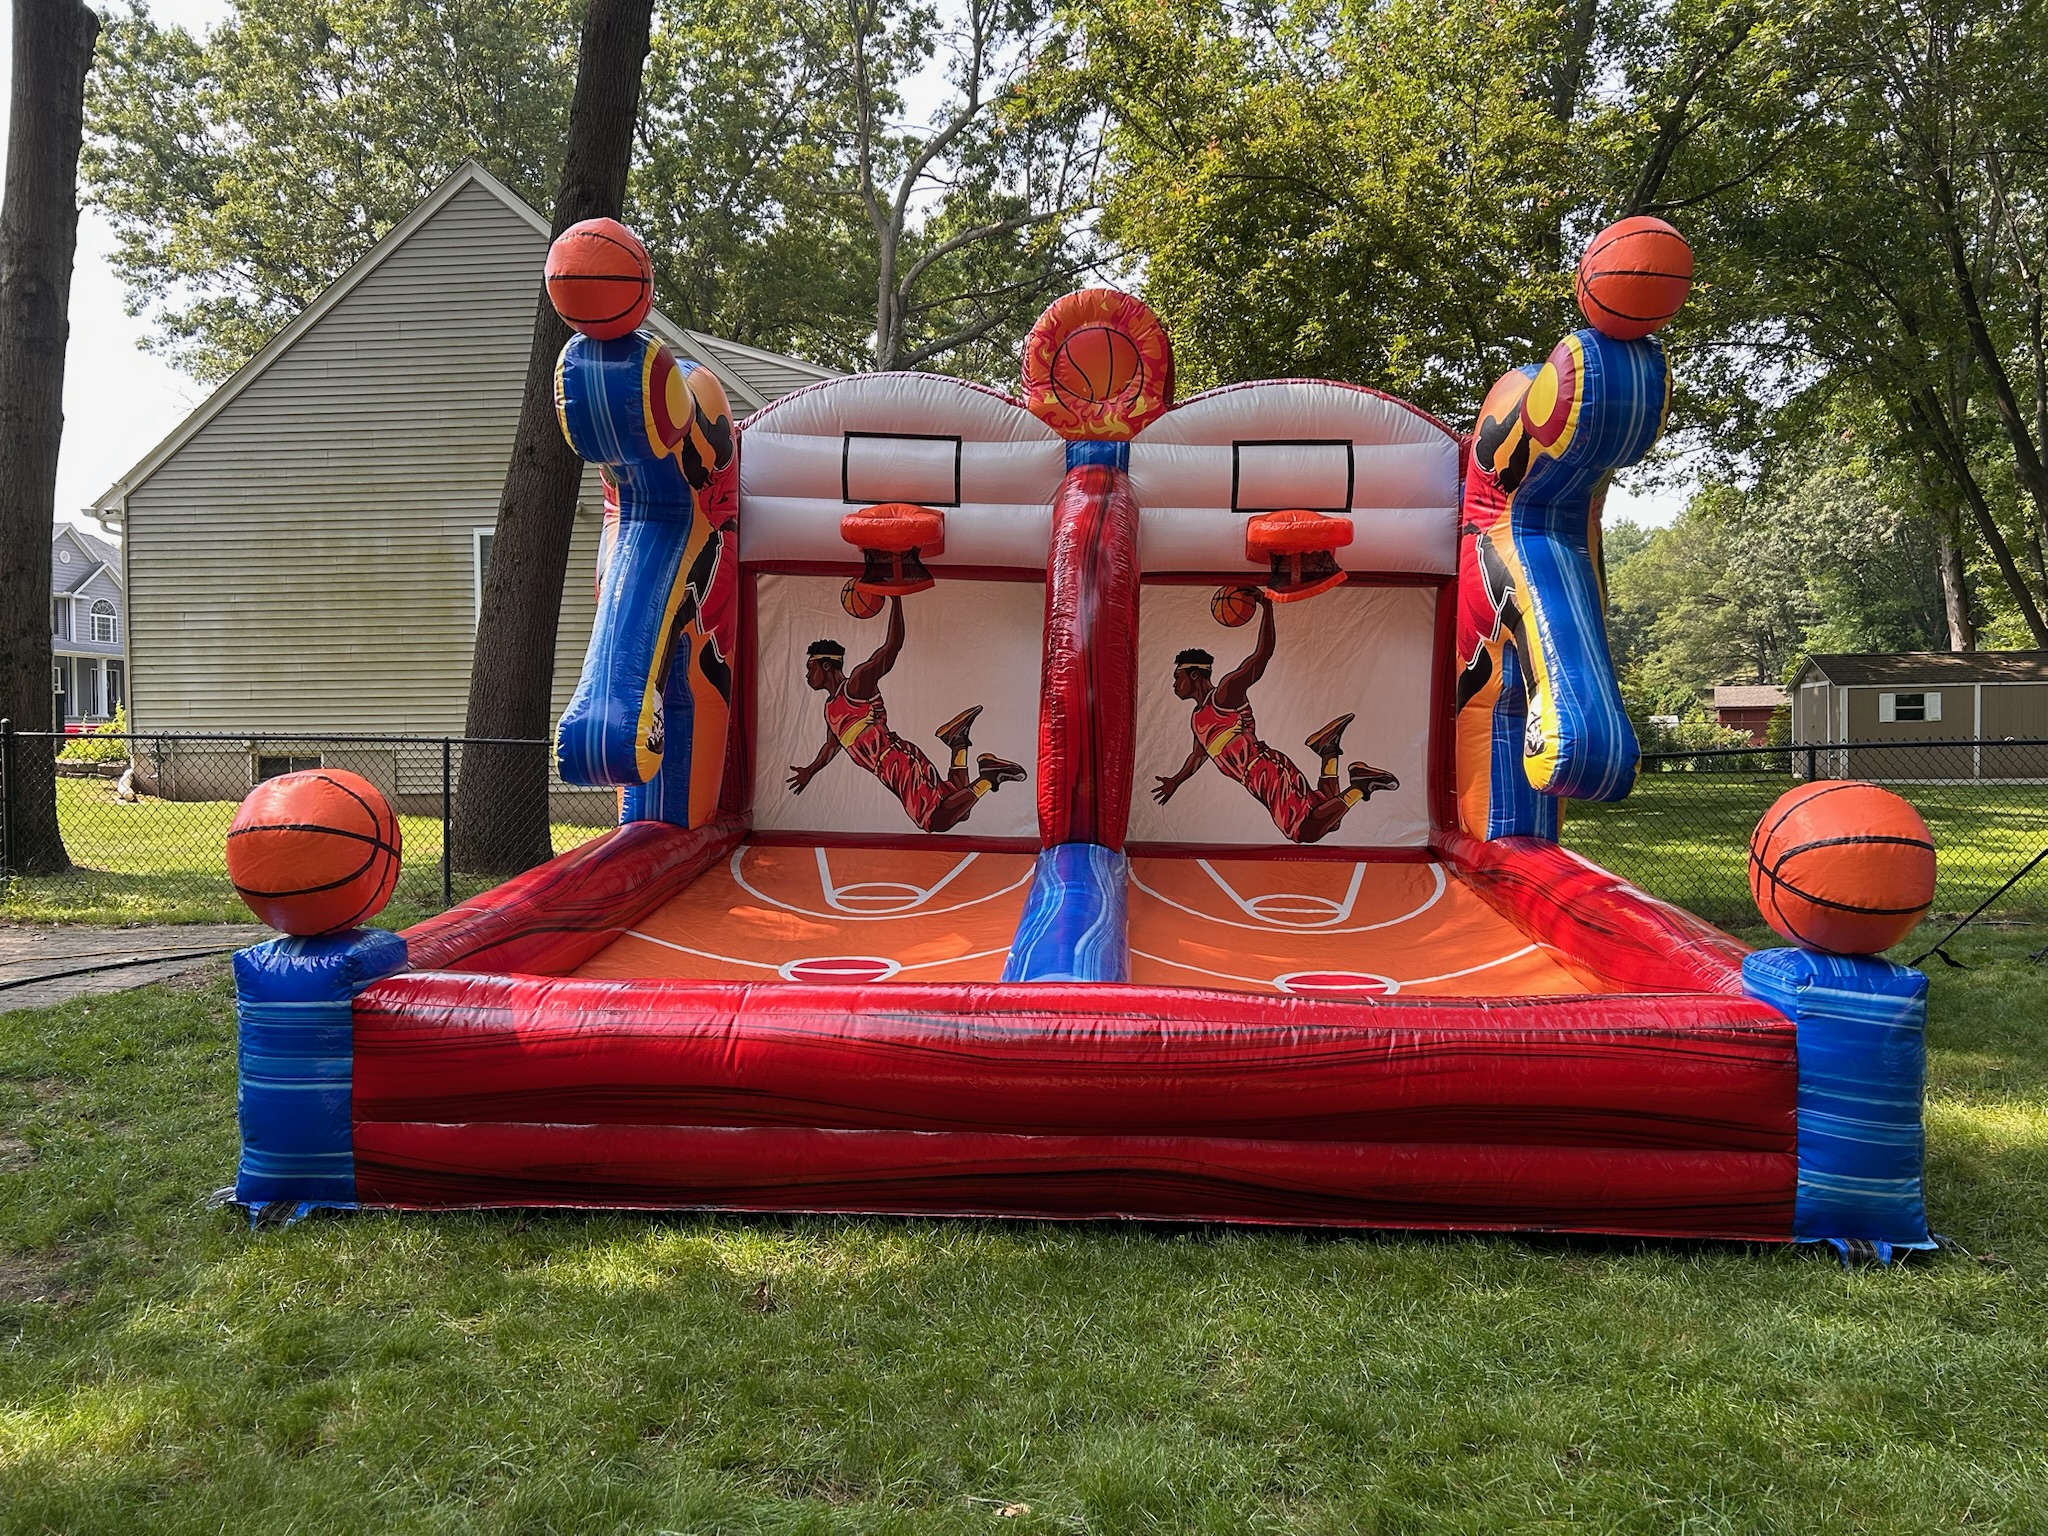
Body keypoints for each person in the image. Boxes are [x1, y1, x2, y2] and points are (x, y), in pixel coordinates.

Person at [1154, 588, 1397, 843]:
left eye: (1176, 677)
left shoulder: (1224, 695)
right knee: (1328, 817)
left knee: (1305, 831)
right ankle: (1329, 751)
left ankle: (1360, 785)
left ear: (1194, 675)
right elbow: (1198, 755)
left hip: (1263, 771)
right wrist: (1176, 781)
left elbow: (1261, 656)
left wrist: (1266, 608)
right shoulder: (1197, 718)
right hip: (1260, 774)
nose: (1173, 684)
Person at [789, 593, 1025, 831]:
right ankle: (958, 742)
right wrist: (810, 771)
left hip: (894, 762)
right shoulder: (830, 708)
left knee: (935, 821)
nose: (808, 675)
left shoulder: (856, 686)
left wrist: (896, 599)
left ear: (826, 665)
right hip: (894, 762)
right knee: (958, 808)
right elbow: (832, 746)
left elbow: (892, 647)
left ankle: (989, 776)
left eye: (811, 667)